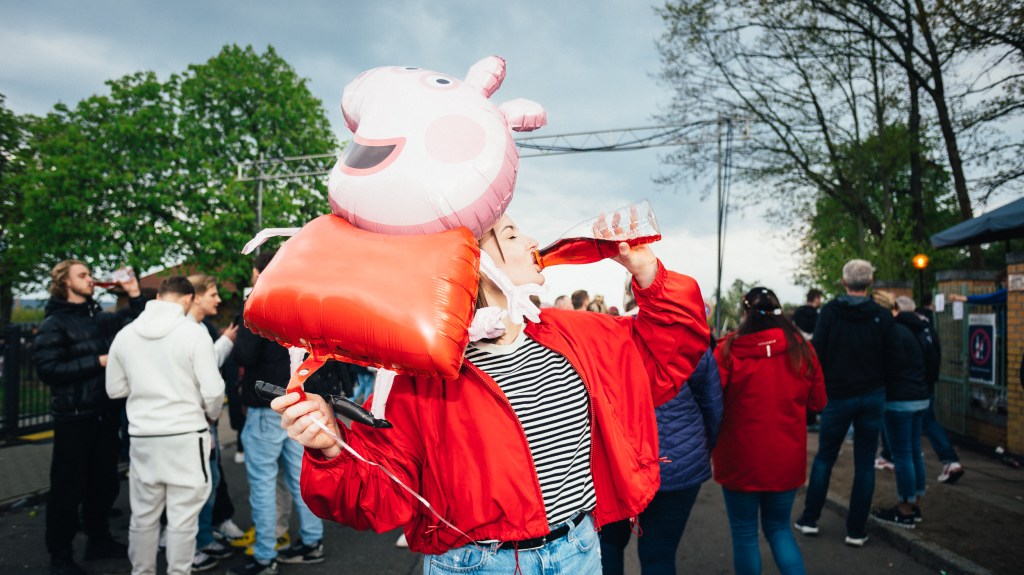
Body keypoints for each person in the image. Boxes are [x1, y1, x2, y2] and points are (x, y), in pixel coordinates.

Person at [272, 213, 710, 574]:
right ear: (474, 264)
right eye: (513, 234)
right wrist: (331, 449)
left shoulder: (576, 336)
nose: (533, 240)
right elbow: (381, 496)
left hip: (578, 553)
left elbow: (665, 354)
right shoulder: (420, 376)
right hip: (475, 564)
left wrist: (648, 272)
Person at [105, 276, 224, 575]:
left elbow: (114, 390)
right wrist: (210, 416)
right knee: (183, 519)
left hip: (143, 436)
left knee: (143, 517)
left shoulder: (126, 335)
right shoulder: (193, 334)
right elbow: (213, 391)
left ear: (158, 295)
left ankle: (141, 571)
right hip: (186, 435)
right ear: (188, 299)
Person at [34, 259, 145, 575]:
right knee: (67, 490)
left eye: (90, 274)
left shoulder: (97, 317)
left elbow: (137, 323)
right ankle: (61, 556)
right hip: (74, 417)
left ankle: (99, 540)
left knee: (104, 482)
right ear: (65, 282)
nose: (90, 279)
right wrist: (98, 360)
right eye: (82, 275)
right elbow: (49, 370)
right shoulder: (54, 324)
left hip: (104, 413)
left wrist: (134, 291)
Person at [713, 288, 827, 575]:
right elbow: (818, 402)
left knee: (745, 534)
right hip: (786, 456)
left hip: (740, 457)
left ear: (744, 313)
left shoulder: (727, 350)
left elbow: (712, 404)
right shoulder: (801, 347)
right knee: (779, 529)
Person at [231, 249, 325, 575]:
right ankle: (312, 542)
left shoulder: (261, 305)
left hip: (265, 406)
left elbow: (244, 353)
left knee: (263, 485)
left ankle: (265, 556)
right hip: (298, 402)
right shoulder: (304, 304)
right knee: (300, 481)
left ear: (261, 273)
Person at [599, 337, 723, 575]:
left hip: (621, 463)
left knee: (609, 545)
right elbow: (713, 407)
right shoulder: (693, 344)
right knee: (659, 554)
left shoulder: (614, 338)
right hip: (679, 462)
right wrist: (701, 450)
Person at [795, 259, 896, 547]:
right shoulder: (882, 315)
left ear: (843, 282)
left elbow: (817, 353)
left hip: (837, 395)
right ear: (871, 283)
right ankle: (855, 530)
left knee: (826, 456)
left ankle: (810, 518)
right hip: (872, 395)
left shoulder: (829, 313)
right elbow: (892, 354)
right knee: (865, 462)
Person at [186, 274, 242, 571]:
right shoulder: (189, 332)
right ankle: (193, 545)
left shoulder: (200, 329)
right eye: (212, 294)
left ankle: (204, 536)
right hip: (196, 421)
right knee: (198, 485)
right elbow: (204, 377)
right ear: (194, 296)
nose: (218, 300)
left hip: (204, 420)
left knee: (211, 481)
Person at [870, 293, 930, 528]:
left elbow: (888, 366)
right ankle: (915, 504)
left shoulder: (892, 331)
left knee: (902, 454)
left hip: (900, 400)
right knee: (914, 452)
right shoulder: (909, 330)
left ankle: (904, 509)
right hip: (919, 397)